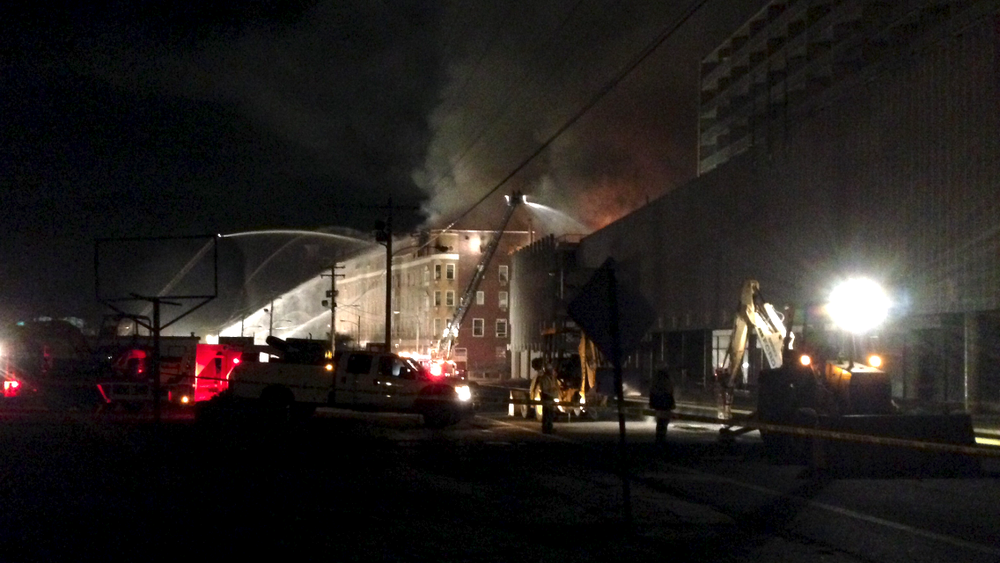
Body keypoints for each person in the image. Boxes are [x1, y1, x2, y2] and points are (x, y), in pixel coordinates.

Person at [650, 365, 676, 444]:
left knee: (660, 421)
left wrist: (652, 402)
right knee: (664, 422)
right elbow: (670, 391)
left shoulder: (656, 380)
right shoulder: (667, 380)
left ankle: (659, 438)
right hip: (666, 403)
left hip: (659, 403)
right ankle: (661, 438)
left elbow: (652, 391)